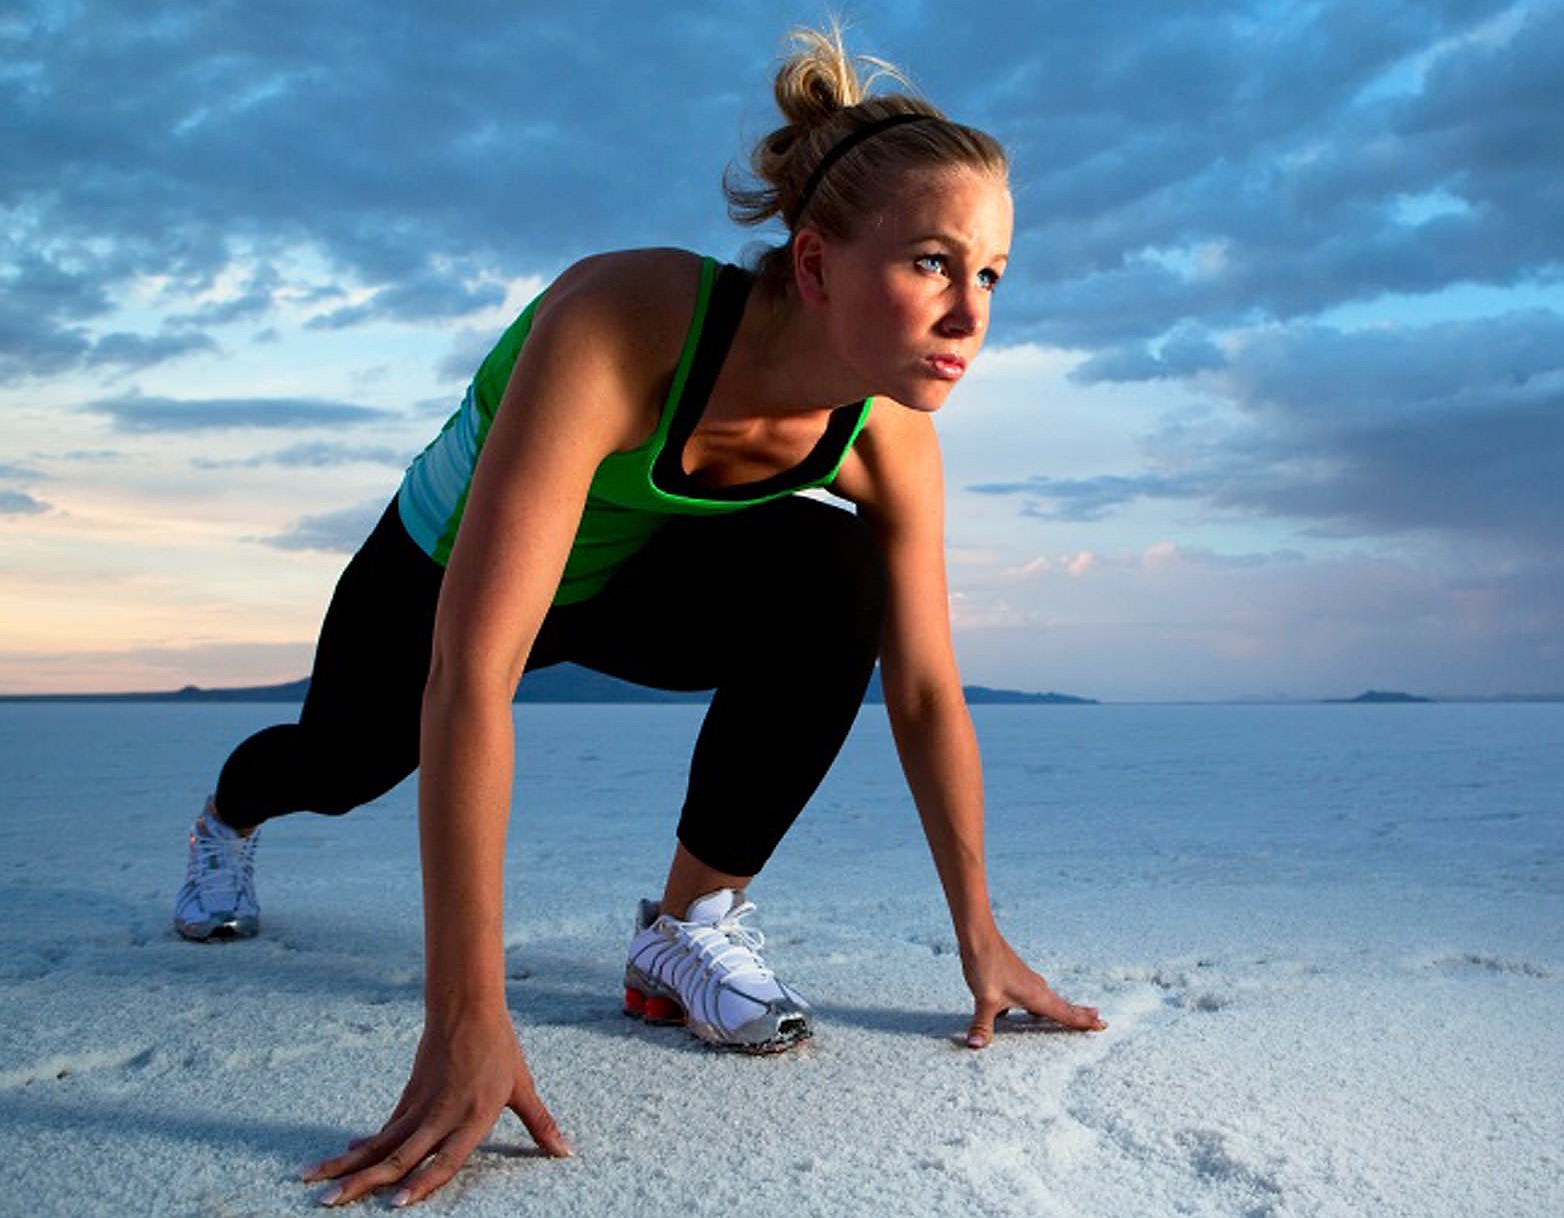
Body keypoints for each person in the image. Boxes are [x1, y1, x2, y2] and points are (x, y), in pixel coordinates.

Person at [171, 27, 1105, 1208]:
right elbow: (472, 672)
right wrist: (465, 1019)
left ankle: (685, 926)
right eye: (932, 263)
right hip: (441, 574)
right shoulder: (624, 321)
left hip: (626, 586)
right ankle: (226, 819)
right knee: (339, 763)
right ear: (815, 264)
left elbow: (921, 693)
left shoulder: (888, 438)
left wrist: (979, 933)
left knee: (834, 568)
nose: (969, 314)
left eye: (991, 275)